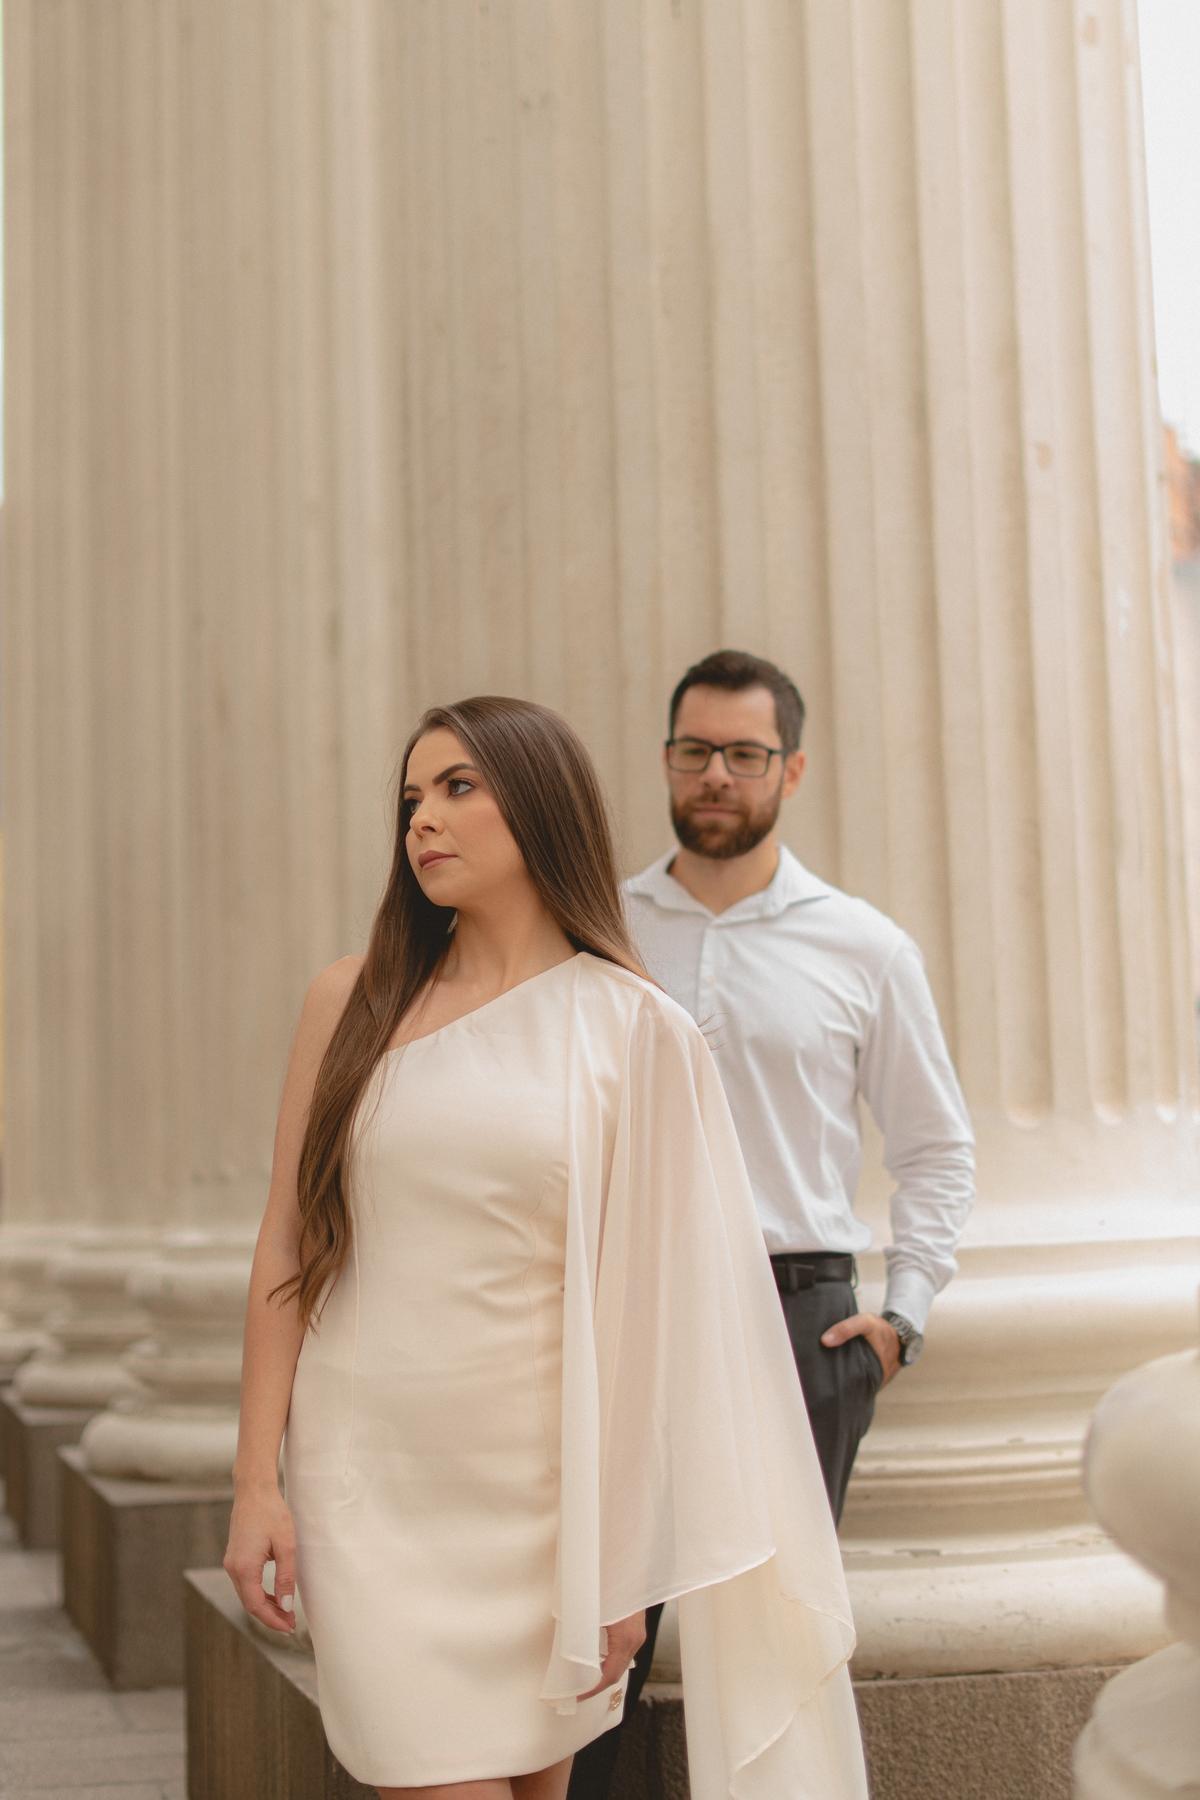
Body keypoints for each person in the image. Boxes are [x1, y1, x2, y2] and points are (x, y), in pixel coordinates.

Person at [224, 695, 868, 1800]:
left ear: (540, 805)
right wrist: (254, 1484)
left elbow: (662, 1321)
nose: (423, 819)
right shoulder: (350, 1001)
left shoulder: (636, 1029)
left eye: (458, 787)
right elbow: (287, 1243)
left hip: (549, 1504)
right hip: (371, 1487)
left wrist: (622, 1560)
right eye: (411, 797)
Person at [625, 649, 975, 1519]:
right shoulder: (600, 928)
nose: (716, 774)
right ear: (667, 760)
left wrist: (904, 1319)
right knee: (629, 1598)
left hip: (802, 1320)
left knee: (792, 1602)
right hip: (634, 1304)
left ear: (792, 770)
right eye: (695, 751)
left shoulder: (866, 947)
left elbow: (935, 1148)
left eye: (746, 754)